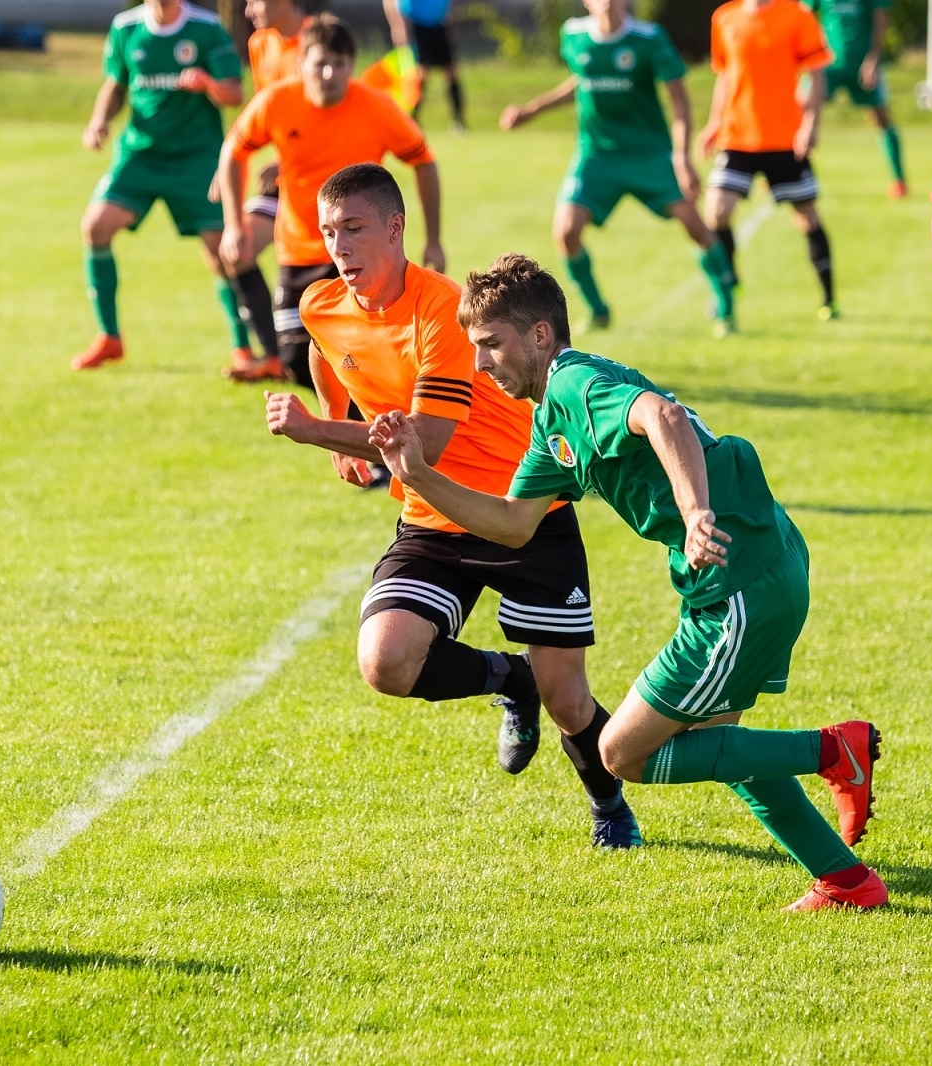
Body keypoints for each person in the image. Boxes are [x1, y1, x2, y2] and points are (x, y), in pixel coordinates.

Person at [368, 253, 889, 910]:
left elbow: (662, 420)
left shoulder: (576, 385)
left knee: (623, 754)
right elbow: (510, 523)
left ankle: (833, 751)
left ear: (539, 336)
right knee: (718, 738)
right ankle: (848, 882)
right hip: (759, 564)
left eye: (491, 345)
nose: (480, 365)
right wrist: (415, 474)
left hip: (736, 581)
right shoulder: (552, 420)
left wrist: (696, 513)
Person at [265, 164, 643, 849]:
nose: (339, 246)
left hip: (521, 510)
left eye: (353, 229)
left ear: (394, 228)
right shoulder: (322, 302)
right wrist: (335, 421)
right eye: (328, 232)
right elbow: (328, 353)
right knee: (385, 662)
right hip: (434, 518)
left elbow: (428, 442)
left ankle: (608, 803)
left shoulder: (440, 308)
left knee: (570, 702)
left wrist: (313, 429)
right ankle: (510, 677)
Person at [219, 16, 444, 390]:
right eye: (320, 63)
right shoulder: (277, 101)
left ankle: (375, 432)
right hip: (299, 251)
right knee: (296, 359)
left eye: (339, 64)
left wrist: (433, 238)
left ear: (351, 66)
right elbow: (234, 151)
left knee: (366, 356)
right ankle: (362, 426)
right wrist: (231, 224)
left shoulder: (377, 107)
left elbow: (424, 160)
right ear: (301, 63)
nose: (329, 73)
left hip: (361, 253)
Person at [499, 0, 735, 336]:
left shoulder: (649, 38)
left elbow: (679, 101)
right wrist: (533, 109)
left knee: (694, 224)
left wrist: (681, 157)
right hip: (597, 155)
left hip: (648, 154)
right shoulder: (574, 34)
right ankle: (598, 310)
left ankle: (725, 305)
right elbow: (584, 80)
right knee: (566, 231)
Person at [72, 0, 248, 372]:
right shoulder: (125, 27)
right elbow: (116, 84)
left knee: (220, 253)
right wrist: (99, 120)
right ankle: (109, 338)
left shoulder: (206, 28)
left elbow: (234, 93)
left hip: (196, 158)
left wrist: (207, 84)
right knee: (95, 227)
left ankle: (242, 348)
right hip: (141, 155)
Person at [700, 0, 838, 320]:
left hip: (784, 138)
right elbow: (725, 76)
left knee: (807, 217)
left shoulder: (797, 15)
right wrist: (714, 122)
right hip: (737, 136)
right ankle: (729, 283)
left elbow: (817, 75)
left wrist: (810, 124)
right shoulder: (725, 17)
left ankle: (829, 298)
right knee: (716, 212)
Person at [221, 0, 315, 383]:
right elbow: (264, 114)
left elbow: (332, 113)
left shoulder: (317, 41)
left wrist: (290, 155)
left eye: (254, 0)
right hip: (284, 182)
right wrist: (232, 159)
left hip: (320, 182)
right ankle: (273, 356)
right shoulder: (260, 43)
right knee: (236, 250)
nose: (247, 10)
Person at [807, 0, 906, 198]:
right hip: (829, 65)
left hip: (862, 63)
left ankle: (899, 181)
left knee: (881, 119)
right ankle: (787, 169)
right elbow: (804, 16)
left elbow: (881, 19)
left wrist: (873, 59)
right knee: (803, 111)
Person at [383, 0, 465, 130]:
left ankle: (458, 121)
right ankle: (412, 120)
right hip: (418, 25)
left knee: (451, 73)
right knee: (421, 73)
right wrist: (397, 25)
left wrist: (449, 13)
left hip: (439, 24)